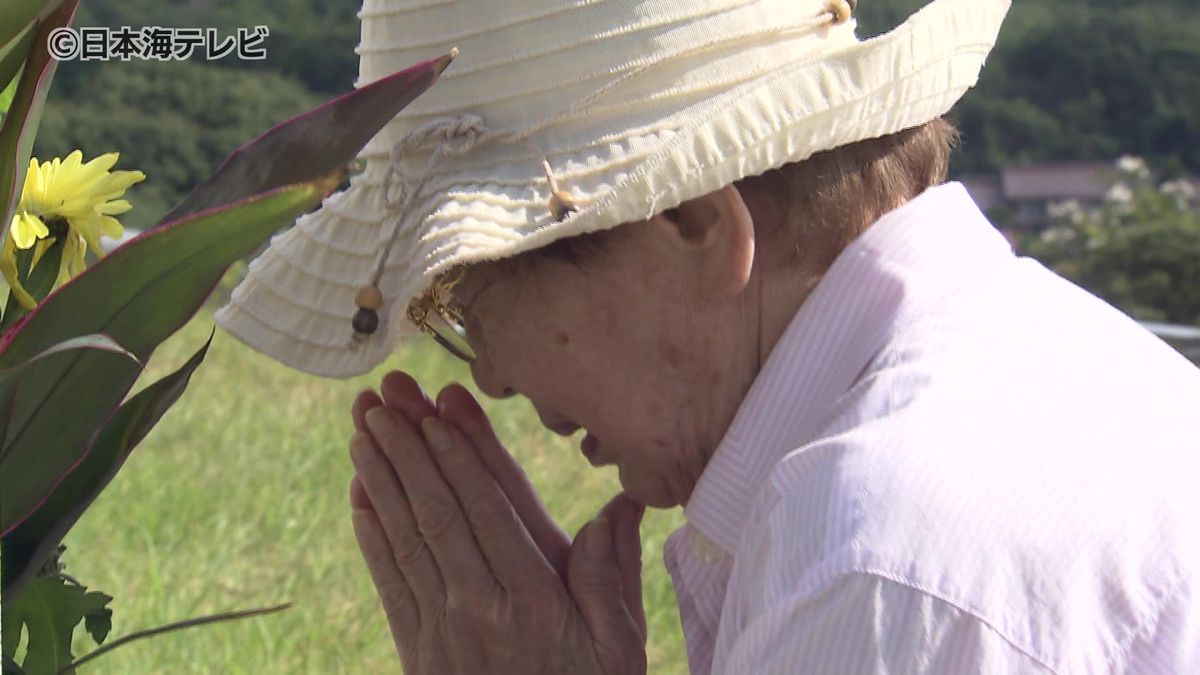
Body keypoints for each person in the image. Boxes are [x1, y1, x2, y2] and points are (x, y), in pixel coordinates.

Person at [214, 0, 1200, 672]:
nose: (498, 377)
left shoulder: (876, 560)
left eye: (472, 294)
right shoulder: (1057, 375)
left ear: (692, 226)